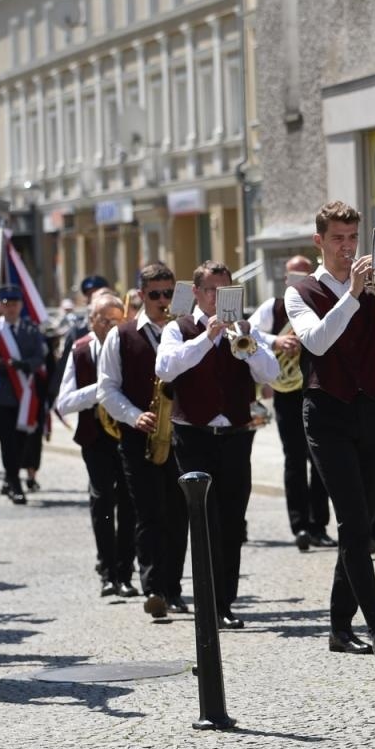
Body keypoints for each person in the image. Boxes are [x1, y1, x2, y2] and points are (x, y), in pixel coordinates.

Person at [285, 201, 375, 657]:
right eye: (337, 239)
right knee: (354, 521)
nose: (347, 248)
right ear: (319, 242)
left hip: (373, 409)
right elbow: (316, 340)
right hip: (326, 412)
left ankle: (339, 627)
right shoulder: (299, 291)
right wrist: (352, 294)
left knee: (362, 523)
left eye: (352, 238)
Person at [156, 261, 279, 629]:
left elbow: (270, 374)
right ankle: (208, 603)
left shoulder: (245, 329)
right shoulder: (178, 329)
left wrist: (248, 346)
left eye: (224, 291)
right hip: (193, 435)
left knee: (232, 521)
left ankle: (225, 602)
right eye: (210, 290)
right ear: (196, 292)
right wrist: (206, 338)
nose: (217, 298)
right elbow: (165, 369)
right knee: (204, 521)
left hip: (236, 436)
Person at [97, 262, 189, 620]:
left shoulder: (183, 330)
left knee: (179, 514)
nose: (163, 301)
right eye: (155, 295)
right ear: (141, 296)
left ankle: (175, 588)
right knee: (148, 514)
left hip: (181, 435)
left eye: (168, 293)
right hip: (140, 437)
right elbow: (107, 389)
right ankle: (153, 587)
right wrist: (136, 415)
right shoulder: (122, 335)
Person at [54, 291, 138, 598]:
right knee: (102, 500)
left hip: (127, 433)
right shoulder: (80, 350)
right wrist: (101, 391)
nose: (110, 326)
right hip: (95, 437)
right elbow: (63, 403)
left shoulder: (129, 345)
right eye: (104, 320)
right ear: (92, 320)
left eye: (117, 320)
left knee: (129, 503)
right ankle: (107, 571)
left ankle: (126, 571)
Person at [248, 256, 335, 552]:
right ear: (285, 279)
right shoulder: (271, 308)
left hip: (314, 387)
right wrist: (278, 341)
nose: (299, 279)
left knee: (321, 459)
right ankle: (299, 526)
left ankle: (319, 525)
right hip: (286, 392)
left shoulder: (317, 303)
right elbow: (247, 334)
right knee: (294, 459)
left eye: (304, 274)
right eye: (294, 275)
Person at [0, 285, 48, 504]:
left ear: (20, 305)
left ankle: (11, 476)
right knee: (7, 441)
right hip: (4, 396)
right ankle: (14, 483)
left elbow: (40, 358)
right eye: (6, 304)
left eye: (14, 304)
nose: (11, 308)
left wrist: (21, 365)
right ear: (0, 307)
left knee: (23, 441)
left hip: (27, 395)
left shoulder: (31, 331)